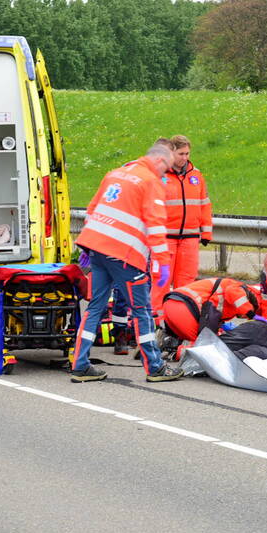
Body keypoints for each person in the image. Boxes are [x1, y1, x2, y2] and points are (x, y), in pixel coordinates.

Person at [70, 141, 183, 382]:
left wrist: (90, 245)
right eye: (167, 168)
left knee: (94, 308)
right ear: (160, 161)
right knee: (141, 311)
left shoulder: (115, 173)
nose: (166, 174)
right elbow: (155, 225)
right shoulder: (150, 181)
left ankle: (80, 365)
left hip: (97, 249)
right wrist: (162, 262)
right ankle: (155, 367)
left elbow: (91, 210)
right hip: (123, 255)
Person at [151, 135, 213, 319]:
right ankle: (156, 322)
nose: (185, 157)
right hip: (165, 239)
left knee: (186, 283)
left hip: (190, 238)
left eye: (187, 153)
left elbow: (204, 204)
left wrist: (206, 231)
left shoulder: (196, 176)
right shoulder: (160, 175)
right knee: (161, 282)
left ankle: (181, 320)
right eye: (181, 154)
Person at [161, 276, 259, 343]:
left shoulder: (221, 289)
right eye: (244, 317)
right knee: (205, 345)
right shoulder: (238, 288)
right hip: (184, 309)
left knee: (182, 338)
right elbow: (234, 294)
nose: (243, 317)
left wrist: (221, 327)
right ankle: (182, 350)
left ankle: (168, 342)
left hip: (170, 304)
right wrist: (251, 313)